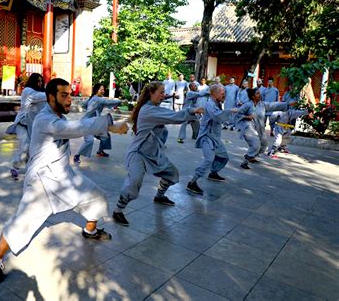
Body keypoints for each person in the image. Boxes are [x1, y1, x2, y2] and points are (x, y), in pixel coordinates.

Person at [0, 78, 129, 283]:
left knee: (96, 197)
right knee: (21, 224)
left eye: (70, 94)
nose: (70, 99)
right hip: (42, 183)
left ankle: (91, 230)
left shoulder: (57, 115)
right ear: (51, 97)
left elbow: (74, 125)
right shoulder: (45, 120)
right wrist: (111, 125)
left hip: (64, 176)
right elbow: (75, 127)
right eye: (64, 95)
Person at [111, 81, 203, 227]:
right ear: (151, 94)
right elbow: (175, 117)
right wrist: (192, 111)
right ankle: (118, 211)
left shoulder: (153, 106)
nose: (163, 95)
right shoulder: (149, 110)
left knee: (172, 174)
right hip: (138, 153)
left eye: (164, 92)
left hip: (153, 153)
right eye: (160, 92)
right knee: (134, 184)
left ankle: (159, 196)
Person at [186, 84, 238, 195]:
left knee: (224, 157)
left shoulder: (218, 103)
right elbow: (217, 116)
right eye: (221, 92)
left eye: (224, 92)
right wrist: (231, 110)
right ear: (214, 93)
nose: (224, 94)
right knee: (209, 159)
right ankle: (192, 182)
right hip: (207, 137)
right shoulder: (209, 104)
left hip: (215, 137)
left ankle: (213, 173)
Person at [236, 88, 291, 170]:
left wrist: (289, 104)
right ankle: (245, 161)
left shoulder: (263, 105)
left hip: (259, 129)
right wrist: (247, 117)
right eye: (258, 93)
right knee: (255, 145)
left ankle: (252, 157)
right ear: (253, 96)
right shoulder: (247, 105)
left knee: (264, 145)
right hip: (248, 128)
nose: (260, 95)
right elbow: (238, 114)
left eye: (259, 93)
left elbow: (275, 105)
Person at [6, 73, 46, 180]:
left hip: (33, 126)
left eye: (41, 81)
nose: (40, 83)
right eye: (37, 81)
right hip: (22, 124)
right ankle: (15, 166)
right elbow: (37, 97)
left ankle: (29, 170)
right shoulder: (27, 91)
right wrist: (53, 94)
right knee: (25, 146)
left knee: (33, 149)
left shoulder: (43, 94)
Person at [73, 83, 122, 164]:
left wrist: (92, 109)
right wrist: (120, 101)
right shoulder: (97, 99)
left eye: (103, 89)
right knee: (89, 140)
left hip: (95, 123)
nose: (103, 91)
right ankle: (77, 155)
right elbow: (108, 102)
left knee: (105, 135)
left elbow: (83, 104)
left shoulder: (94, 98)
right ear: (96, 91)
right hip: (87, 123)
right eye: (101, 90)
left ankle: (100, 151)